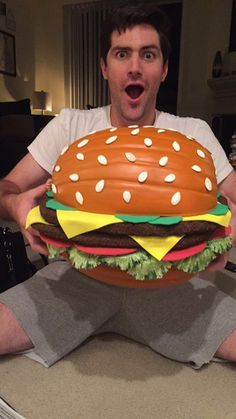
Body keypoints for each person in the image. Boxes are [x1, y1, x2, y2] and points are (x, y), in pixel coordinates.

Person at [0, 2, 236, 368]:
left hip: (173, 283)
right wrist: (15, 206)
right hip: (73, 281)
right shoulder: (70, 126)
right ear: (104, 67)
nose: (135, 67)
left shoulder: (194, 133)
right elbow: (7, 187)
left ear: (164, 69)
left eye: (149, 54)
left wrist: (229, 229)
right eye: (122, 54)